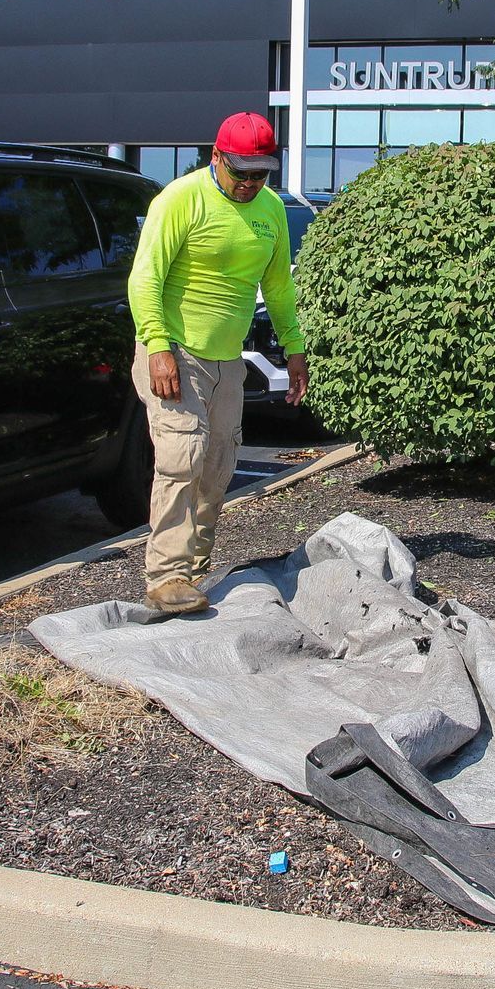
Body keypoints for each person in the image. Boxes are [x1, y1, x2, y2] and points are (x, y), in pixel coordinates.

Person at [127, 112, 308, 615]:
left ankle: (194, 567)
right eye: (241, 172)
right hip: (174, 351)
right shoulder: (180, 200)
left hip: (227, 359)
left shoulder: (269, 210)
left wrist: (294, 348)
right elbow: (145, 279)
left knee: (218, 464)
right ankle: (166, 578)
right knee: (181, 459)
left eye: (261, 174)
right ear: (217, 158)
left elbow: (277, 286)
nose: (250, 183)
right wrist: (157, 346)